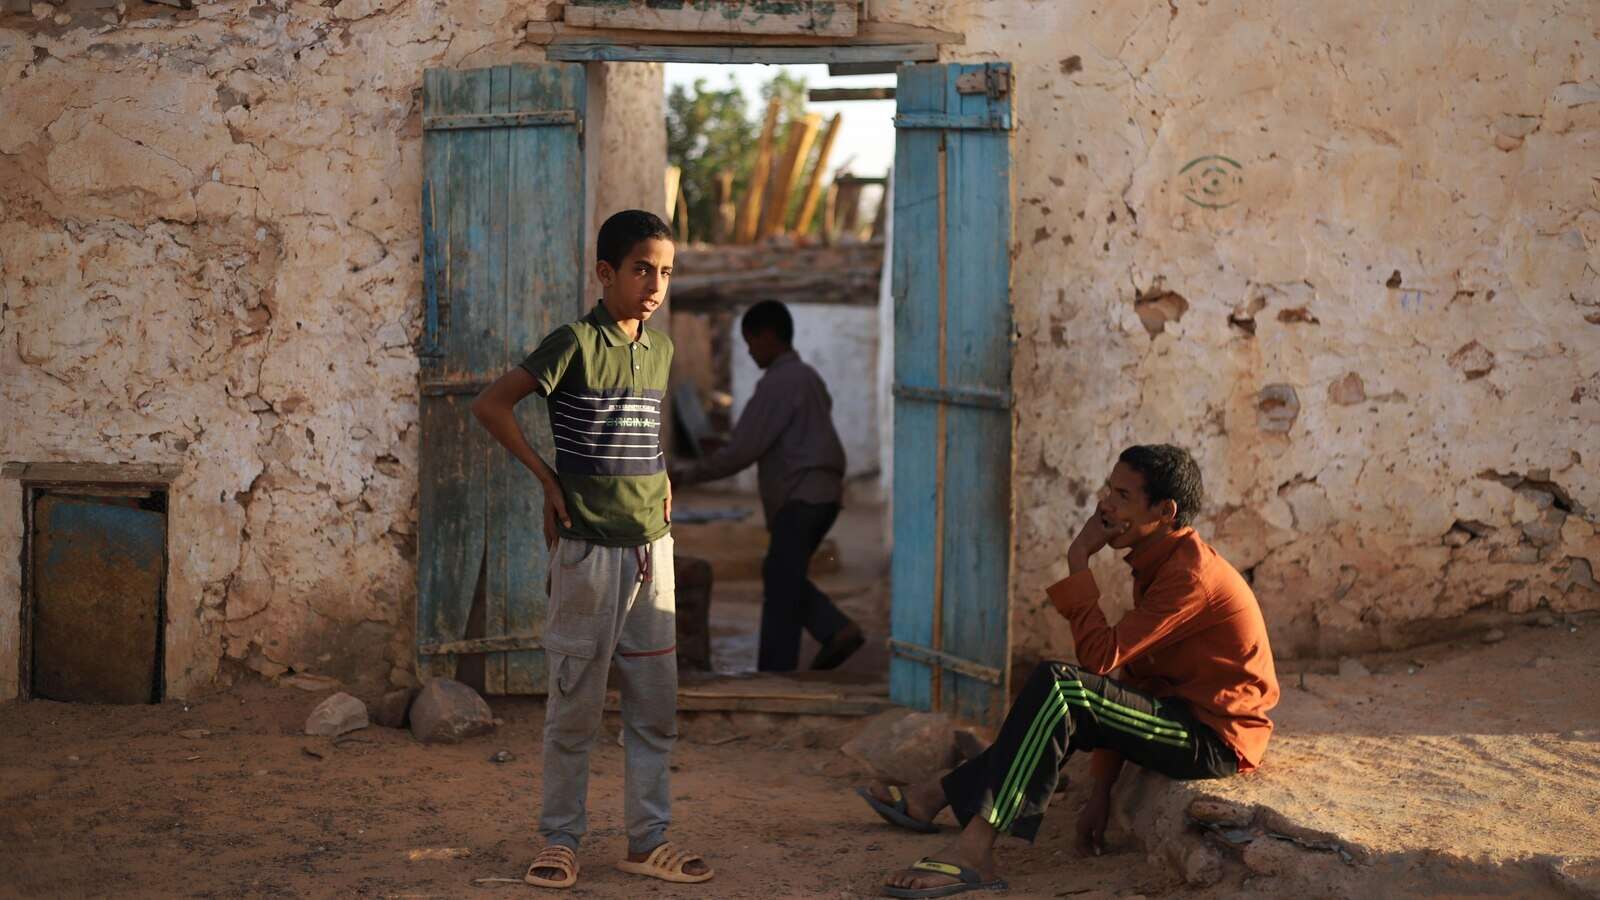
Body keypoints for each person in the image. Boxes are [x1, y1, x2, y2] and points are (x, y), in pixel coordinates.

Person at [858, 444, 1279, 898]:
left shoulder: (1189, 576)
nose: (1105, 504)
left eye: (1121, 495)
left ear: (1165, 510)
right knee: (1056, 698)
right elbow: (1133, 678)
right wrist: (1101, 790)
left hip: (1211, 739)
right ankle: (934, 795)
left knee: (1061, 687)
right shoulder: (1160, 563)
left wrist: (1078, 559)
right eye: (1108, 490)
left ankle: (974, 851)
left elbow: (1099, 659)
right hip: (1176, 714)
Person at [471, 209, 711, 890]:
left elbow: (642, 428)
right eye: (641, 269)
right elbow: (492, 405)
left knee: (653, 706)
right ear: (606, 273)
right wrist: (547, 480)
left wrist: (660, 478)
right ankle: (560, 838)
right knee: (575, 706)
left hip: (651, 554)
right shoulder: (573, 342)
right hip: (588, 555)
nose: (654, 284)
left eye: (665, 271)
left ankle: (648, 839)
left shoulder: (660, 351)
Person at [672, 299, 863, 672]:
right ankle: (789, 661)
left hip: (802, 494)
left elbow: (742, 452)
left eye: (751, 342)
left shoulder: (778, 382)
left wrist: (685, 475)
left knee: (780, 576)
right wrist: (725, 449)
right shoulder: (807, 377)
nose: (749, 351)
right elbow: (771, 439)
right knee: (783, 578)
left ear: (769, 336)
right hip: (821, 494)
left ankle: (830, 634)